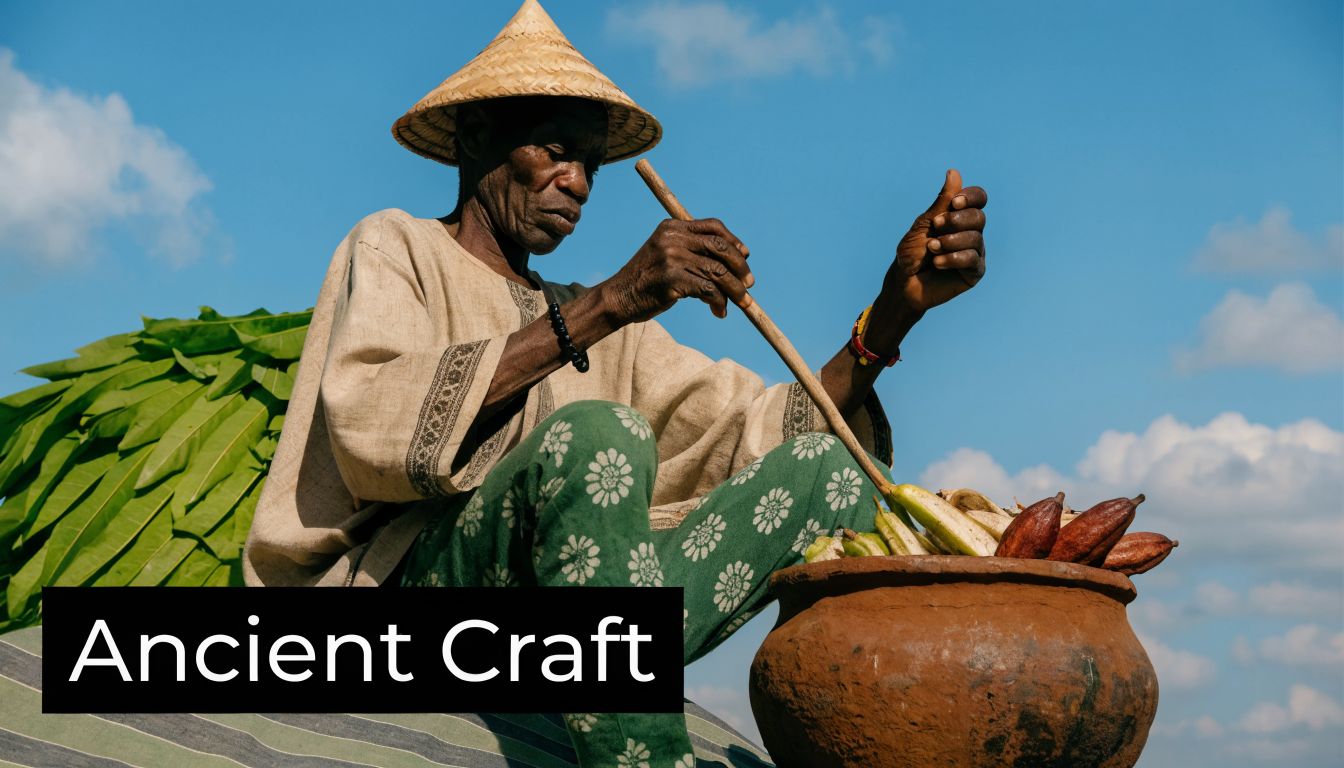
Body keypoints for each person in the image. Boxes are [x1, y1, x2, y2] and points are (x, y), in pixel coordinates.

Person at [244, 1, 987, 765]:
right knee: (597, 437)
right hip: (400, 606)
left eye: (591, 166)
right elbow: (375, 426)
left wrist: (893, 315)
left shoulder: (595, 323)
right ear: (475, 139)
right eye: (557, 150)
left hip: (559, 626)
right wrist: (612, 300)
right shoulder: (398, 246)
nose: (577, 183)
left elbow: (762, 431)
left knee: (826, 473)